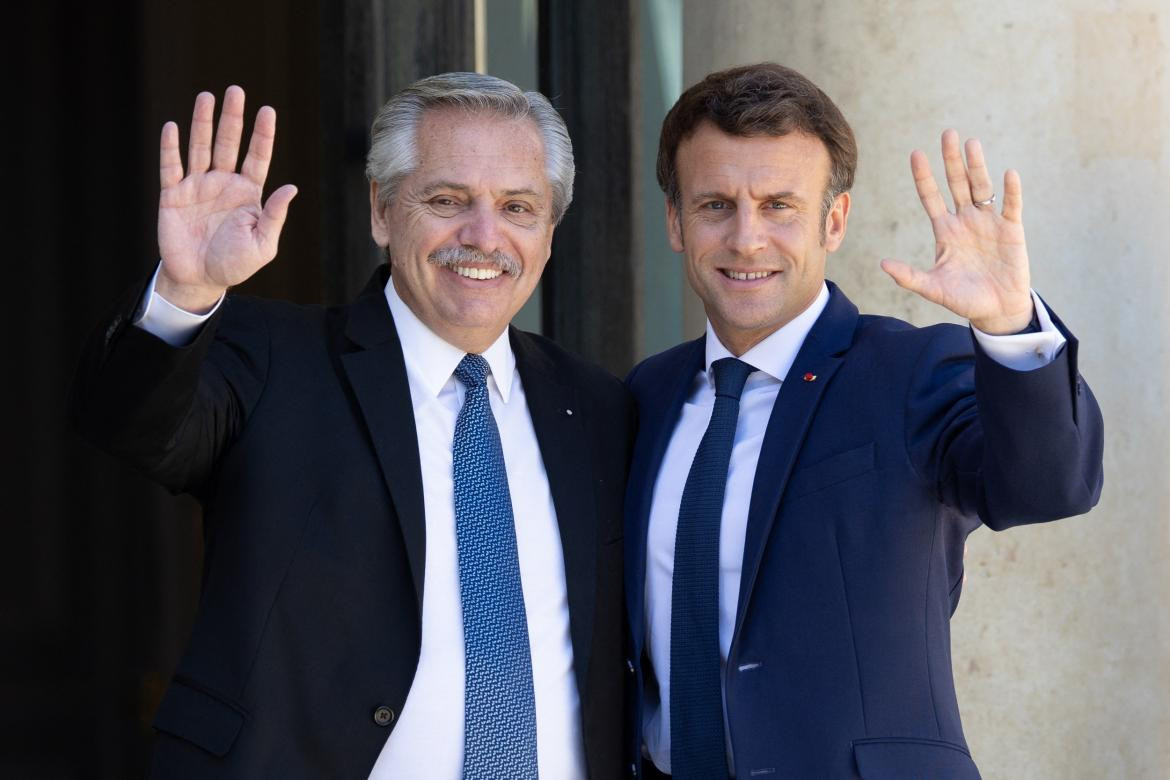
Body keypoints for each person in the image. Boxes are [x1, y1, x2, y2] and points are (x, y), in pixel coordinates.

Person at [71, 73, 632, 778]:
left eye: (518, 207)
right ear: (381, 210)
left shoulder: (601, 409)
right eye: (446, 200)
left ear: (549, 234)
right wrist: (188, 291)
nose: (483, 236)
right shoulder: (277, 359)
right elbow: (128, 424)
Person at [624, 63, 1104, 779]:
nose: (747, 238)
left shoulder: (910, 372)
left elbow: (1048, 486)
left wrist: (1008, 323)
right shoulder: (645, 395)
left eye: (780, 205)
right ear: (675, 222)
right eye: (716, 205)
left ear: (835, 220)